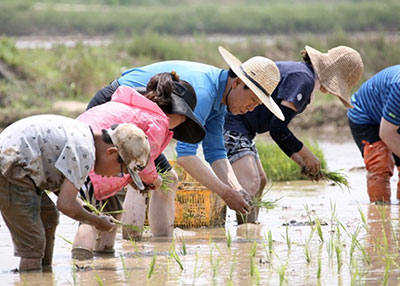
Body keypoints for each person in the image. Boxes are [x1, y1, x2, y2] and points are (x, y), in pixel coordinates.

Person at [87, 45, 283, 217]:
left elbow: (216, 153)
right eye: (253, 101)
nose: (251, 108)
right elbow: (186, 156)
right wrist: (225, 193)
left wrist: (237, 189)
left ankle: (158, 247)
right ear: (238, 83)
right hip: (114, 107)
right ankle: (108, 245)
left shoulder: (220, 101)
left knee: (165, 179)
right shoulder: (204, 93)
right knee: (123, 183)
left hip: (142, 124)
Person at [72, 72, 205, 259]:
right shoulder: (158, 121)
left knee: (104, 213)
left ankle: (104, 260)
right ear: (175, 111)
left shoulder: (128, 105)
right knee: (91, 218)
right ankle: (82, 265)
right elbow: (144, 161)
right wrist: (156, 181)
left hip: (73, 153)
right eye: (183, 118)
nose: (181, 124)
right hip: (102, 167)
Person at [224, 45, 364, 223]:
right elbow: (277, 128)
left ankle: (250, 227)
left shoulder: (303, 76)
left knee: (261, 180)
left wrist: (301, 163)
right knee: (251, 183)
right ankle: (245, 235)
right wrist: (308, 155)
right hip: (233, 122)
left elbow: (278, 131)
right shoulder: (303, 79)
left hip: (245, 128)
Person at [0, 115, 150, 271]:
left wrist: (93, 213)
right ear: (111, 153)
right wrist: (96, 222)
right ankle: (31, 277)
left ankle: (44, 275)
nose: (116, 176)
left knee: (48, 217)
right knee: (33, 242)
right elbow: (66, 205)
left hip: (21, 166)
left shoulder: (84, 139)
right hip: (10, 166)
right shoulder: (85, 151)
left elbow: (67, 197)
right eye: (121, 171)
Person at [347, 65, 400, 203]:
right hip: (366, 115)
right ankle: (380, 211)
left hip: (393, 117)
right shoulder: (399, 87)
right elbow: (387, 133)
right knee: (380, 165)